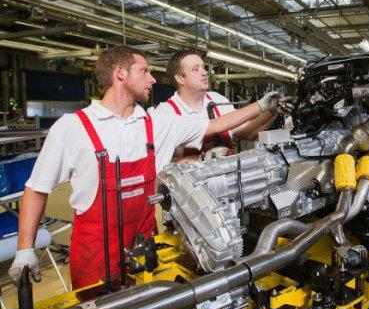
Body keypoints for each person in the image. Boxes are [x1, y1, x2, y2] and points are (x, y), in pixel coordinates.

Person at [8, 46, 282, 289]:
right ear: (120, 73)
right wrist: (24, 249)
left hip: (147, 249)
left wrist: (260, 106)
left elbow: (214, 125)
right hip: (94, 255)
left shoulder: (156, 125)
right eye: (145, 71)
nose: (153, 78)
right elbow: (36, 189)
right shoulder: (73, 127)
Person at [155, 50, 284, 157]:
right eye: (196, 69)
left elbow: (247, 133)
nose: (204, 72)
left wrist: (272, 112)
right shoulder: (166, 112)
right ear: (180, 78)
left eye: (203, 67)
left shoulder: (218, 100)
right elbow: (163, 165)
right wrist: (202, 160)